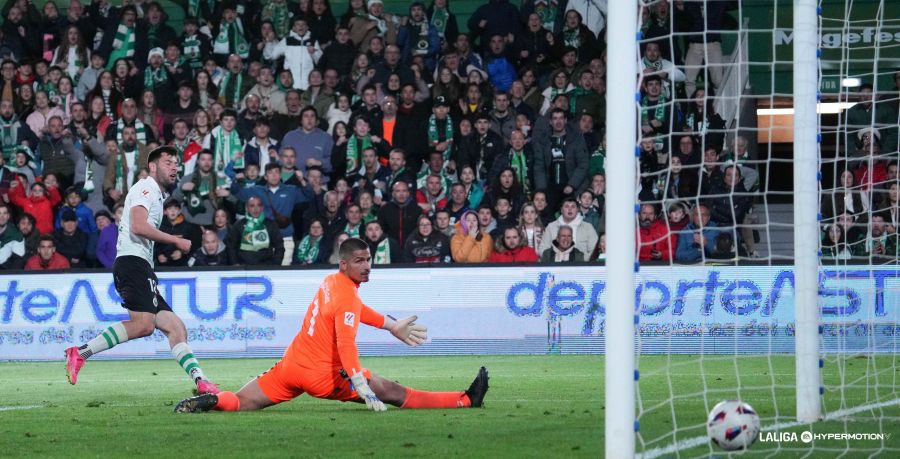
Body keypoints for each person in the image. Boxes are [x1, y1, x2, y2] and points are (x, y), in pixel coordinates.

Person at [174, 237, 489, 414]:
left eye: (368, 259)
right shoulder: (347, 297)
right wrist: (358, 380)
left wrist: (390, 326)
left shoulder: (331, 282)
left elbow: (354, 311)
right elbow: (345, 342)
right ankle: (464, 400)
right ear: (344, 263)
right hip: (322, 375)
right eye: (360, 261)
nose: (367, 266)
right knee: (392, 391)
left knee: (243, 402)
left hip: (292, 365)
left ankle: (212, 401)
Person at [65, 146, 220, 395]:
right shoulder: (145, 188)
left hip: (141, 265)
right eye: (168, 162)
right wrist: (175, 240)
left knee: (176, 327)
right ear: (153, 167)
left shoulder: (156, 195)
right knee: (144, 325)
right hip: (132, 262)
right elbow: (138, 226)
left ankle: (201, 381)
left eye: (176, 163)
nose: (174, 167)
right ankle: (81, 352)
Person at [227, 196, 286, 266]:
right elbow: (231, 246)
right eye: (252, 206)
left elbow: (279, 246)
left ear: (262, 208)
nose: (256, 209)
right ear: (247, 208)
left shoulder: (270, 224)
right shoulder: (238, 225)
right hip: (243, 266)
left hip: (266, 266)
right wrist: (235, 263)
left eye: (259, 205)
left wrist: (275, 264)